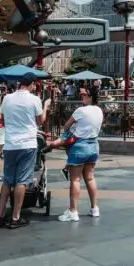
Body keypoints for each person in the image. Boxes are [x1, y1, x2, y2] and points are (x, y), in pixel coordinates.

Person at [0, 74, 48, 229]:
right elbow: (40, 121)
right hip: (27, 144)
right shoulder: (34, 99)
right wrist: (45, 106)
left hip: (10, 144)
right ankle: (15, 217)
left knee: (7, 181)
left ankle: (0, 216)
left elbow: (2, 119)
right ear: (32, 84)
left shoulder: (7, 98)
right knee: (21, 181)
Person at [56, 85, 104, 223]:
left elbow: (66, 126)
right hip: (94, 146)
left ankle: (73, 211)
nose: (82, 96)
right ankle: (94, 208)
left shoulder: (80, 111)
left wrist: (73, 129)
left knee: (75, 179)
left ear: (90, 96)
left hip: (80, 146)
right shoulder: (99, 110)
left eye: (84, 95)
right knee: (90, 178)